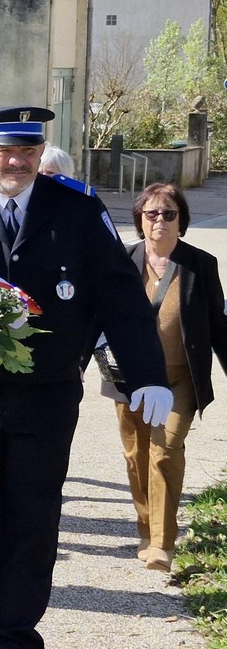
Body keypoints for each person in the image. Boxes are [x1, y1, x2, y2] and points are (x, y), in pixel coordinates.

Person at [0, 106, 173, 649]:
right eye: (6, 150)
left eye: (29, 151)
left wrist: (146, 373)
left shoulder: (75, 208)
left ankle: (12, 630)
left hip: (47, 391)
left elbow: (119, 295)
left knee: (32, 516)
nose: (18, 161)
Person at [107, 183, 227, 572]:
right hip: (131, 378)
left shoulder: (201, 265)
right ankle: (145, 528)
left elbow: (218, 325)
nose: (160, 220)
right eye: (152, 214)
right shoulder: (121, 261)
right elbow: (99, 317)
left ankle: (162, 542)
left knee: (165, 451)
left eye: (169, 213)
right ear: (140, 220)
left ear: (182, 220)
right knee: (136, 454)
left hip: (180, 379)